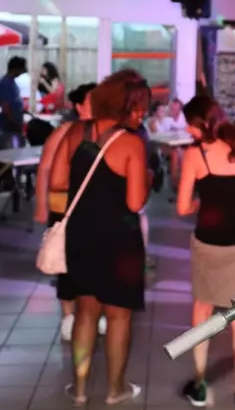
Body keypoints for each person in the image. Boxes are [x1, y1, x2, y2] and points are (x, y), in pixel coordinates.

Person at [48, 70, 150, 406]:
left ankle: (79, 389)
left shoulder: (75, 132)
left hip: (81, 234)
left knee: (85, 312)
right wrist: (146, 179)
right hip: (120, 240)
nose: (142, 113)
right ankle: (115, 389)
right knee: (119, 316)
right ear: (124, 105)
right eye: (138, 106)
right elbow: (135, 202)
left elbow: (58, 182)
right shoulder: (131, 143)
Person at [176, 96, 235, 409]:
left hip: (210, 240)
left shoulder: (195, 154)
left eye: (190, 124)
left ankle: (200, 384)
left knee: (203, 310)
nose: (187, 130)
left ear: (202, 124)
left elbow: (182, 207)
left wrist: (202, 202)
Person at [34, 83, 105, 342]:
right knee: (65, 262)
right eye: (91, 101)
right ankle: (68, 316)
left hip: (95, 207)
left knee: (96, 261)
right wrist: (41, 205)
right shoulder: (65, 131)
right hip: (64, 205)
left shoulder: (104, 131)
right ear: (79, 106)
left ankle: (93, 312)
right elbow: (44, 168)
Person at [0, 56, 27, 150]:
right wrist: (12, 121)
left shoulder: (12, 82)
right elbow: (5, 105)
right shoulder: (6, 83)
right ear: (16, 69)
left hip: (14, 123)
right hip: (9, 125)